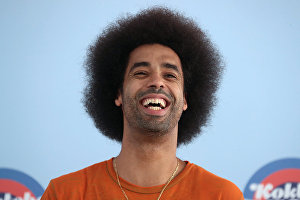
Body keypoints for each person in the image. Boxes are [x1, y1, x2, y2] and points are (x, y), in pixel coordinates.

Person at [41, 7, 244, 200]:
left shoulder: (221, 195)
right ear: (118, 94)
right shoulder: (65, 193)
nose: (156, 82)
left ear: (186, 100)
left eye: (170, 75)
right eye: (141, 73)